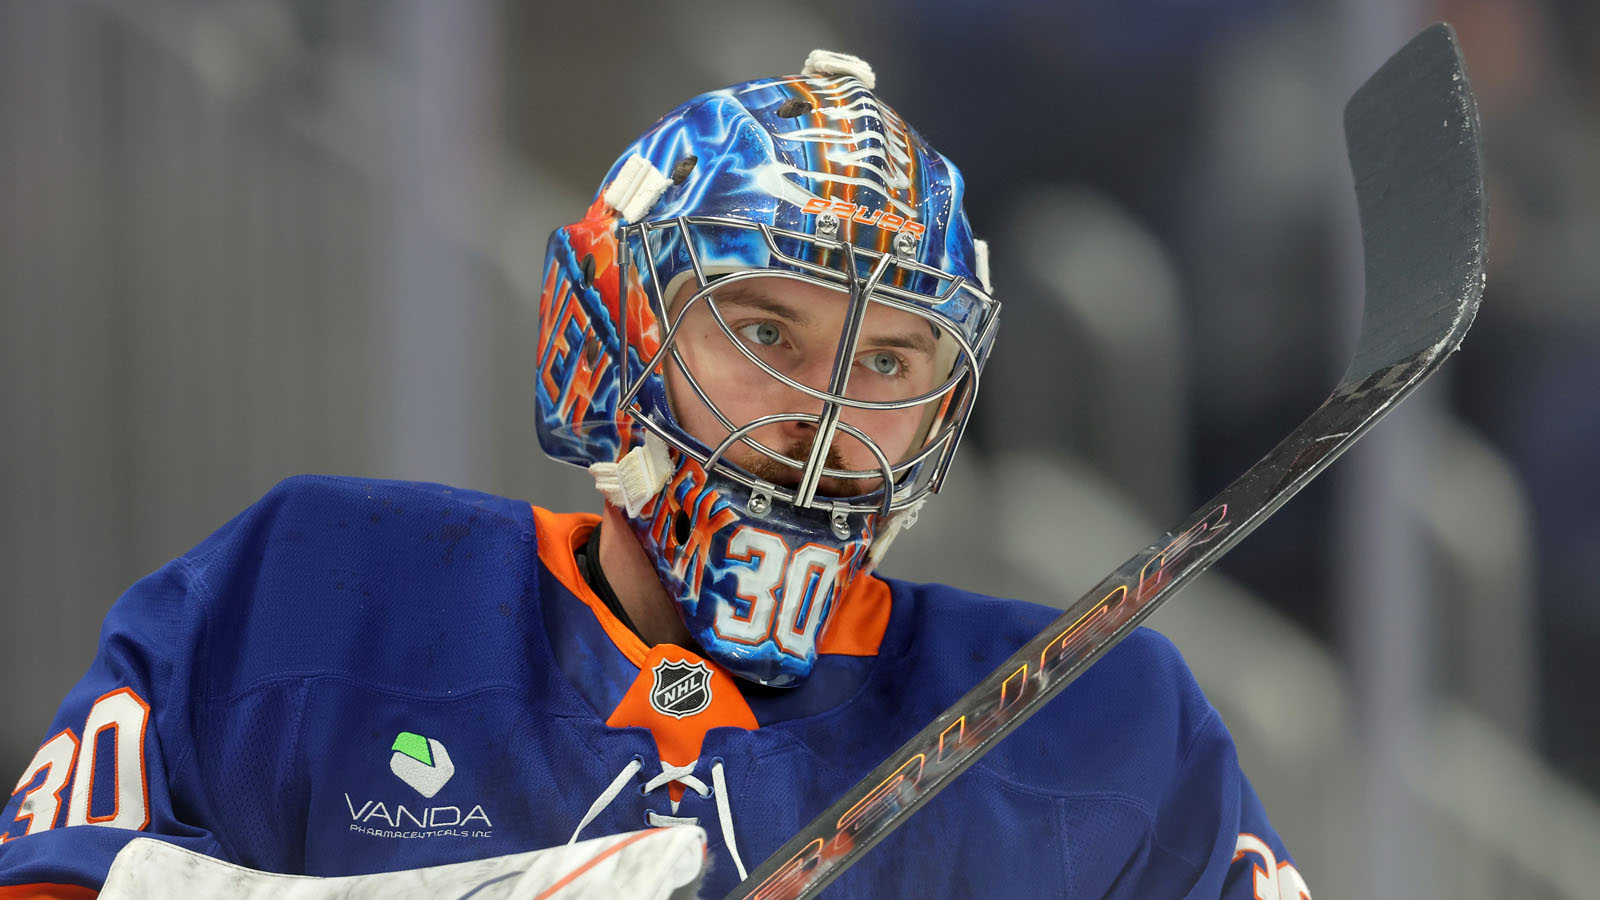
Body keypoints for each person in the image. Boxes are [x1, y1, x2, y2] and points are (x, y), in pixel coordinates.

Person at [0, 50, 1309, 899]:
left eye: (894, 361)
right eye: (764, 333)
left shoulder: (1098, 726)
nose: (825, 412)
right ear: (611, 330)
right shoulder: (310, 591)